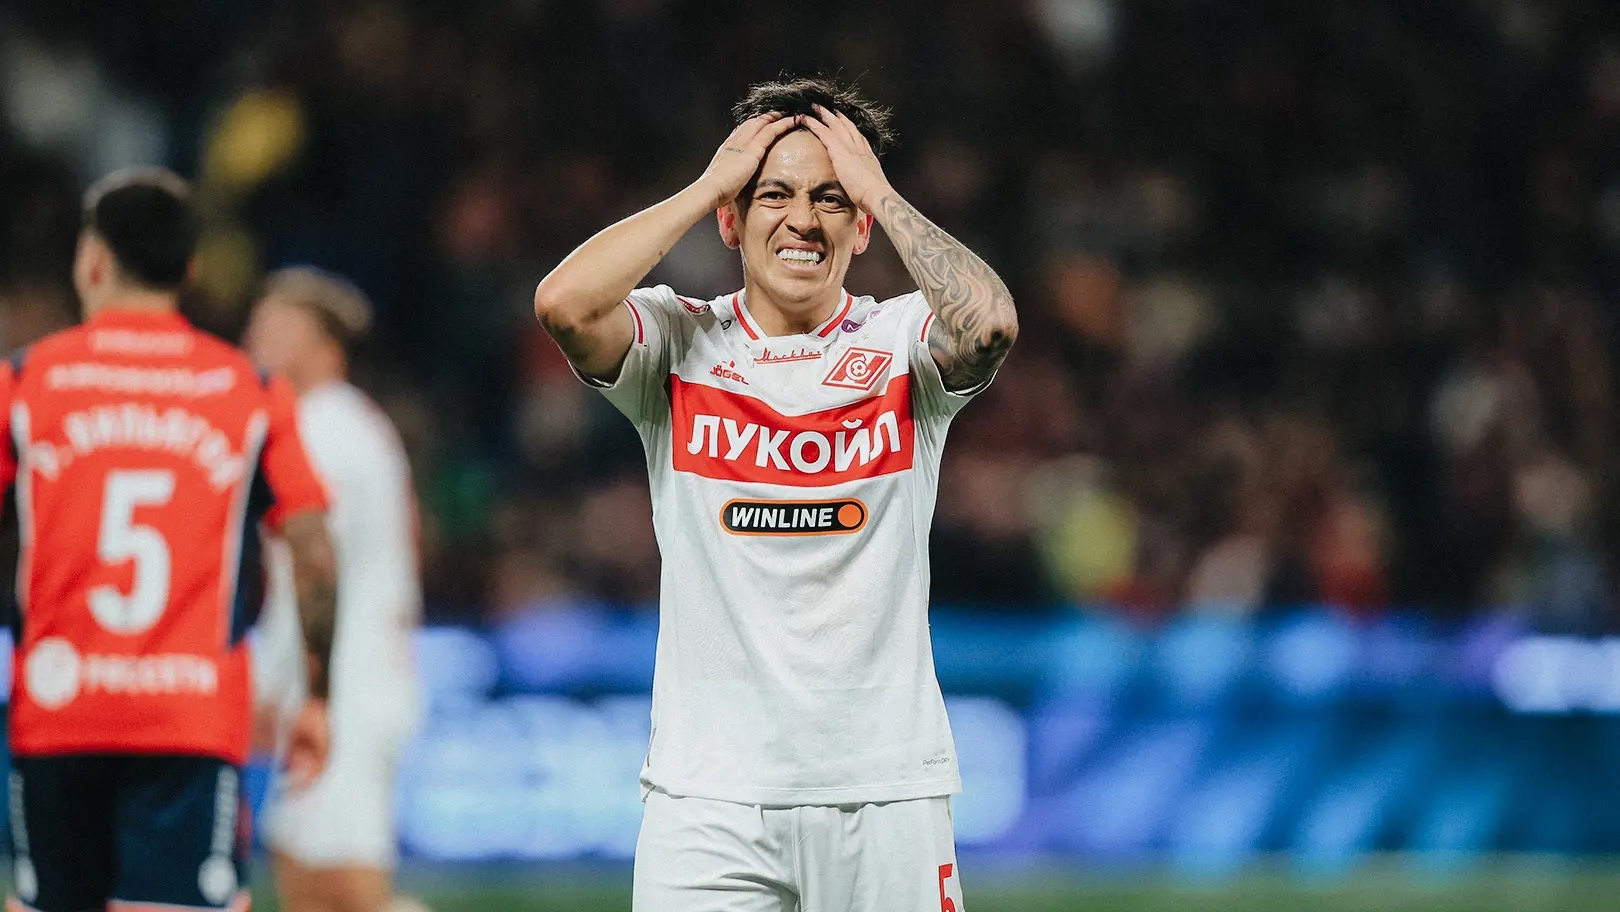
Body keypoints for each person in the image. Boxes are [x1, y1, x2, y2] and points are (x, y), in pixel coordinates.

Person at [533, 77, 1018, 912]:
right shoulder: (678, 341)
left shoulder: (901, 340)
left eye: (831, 198)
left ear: (860, 225)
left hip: (883, 788)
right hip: (707, 798)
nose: (804, 219)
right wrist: (705, 188)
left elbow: (992, 326)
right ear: (733, 219)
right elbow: (563, 305)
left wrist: (879, 191)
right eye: (775, 195)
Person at [0, 168, 337, 912]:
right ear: (190, 269)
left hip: (59, 709)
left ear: (92, 262)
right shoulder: (250, 390)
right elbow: (313, 547)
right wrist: (318, 695)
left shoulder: (24, 382)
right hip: (189, 719)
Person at [245, 267, 424, 912]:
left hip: (346, 688)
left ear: (327, 346)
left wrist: (275, 681)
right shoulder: (349, 423)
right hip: (342, 683)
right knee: (303, 879)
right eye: (257, 325)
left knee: (345, 890)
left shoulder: (324, 430)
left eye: (279, 327)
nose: (259, 339)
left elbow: (316, 570)